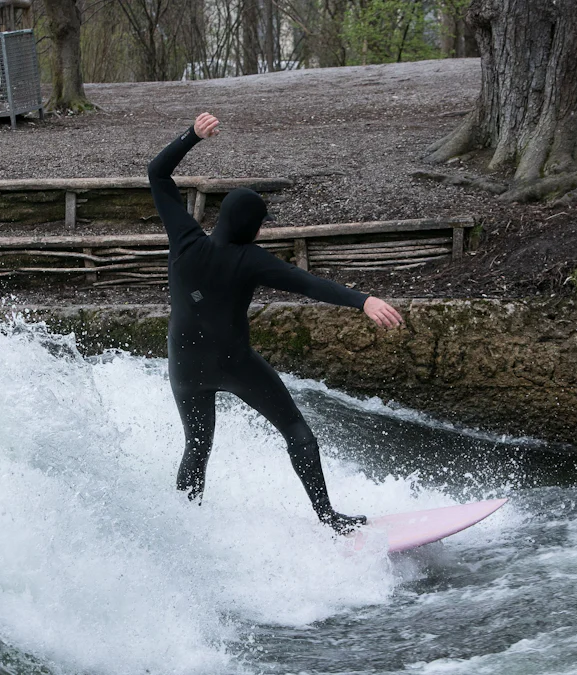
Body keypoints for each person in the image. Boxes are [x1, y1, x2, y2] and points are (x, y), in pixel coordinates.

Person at [149, 112, 404, 534]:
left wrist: (191, 136)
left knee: (197, 446)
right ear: (253, 228)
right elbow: (309, 284)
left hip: (185, 364)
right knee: (296, 430)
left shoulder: (185, 239)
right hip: (233, 363)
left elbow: (157, 174)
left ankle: (183, 527)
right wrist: (364, 300)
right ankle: (328, 518)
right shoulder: (252, 260)